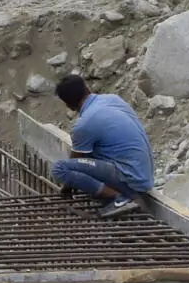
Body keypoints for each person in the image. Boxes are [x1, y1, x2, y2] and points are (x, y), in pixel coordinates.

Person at [50, 74, 157, 217]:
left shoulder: (85, 124)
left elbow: (74, 161)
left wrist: (68, 185)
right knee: (93, 155)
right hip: (144, 174)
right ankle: (124, 194)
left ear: (69, 105)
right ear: (87, 88)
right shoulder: (113, 99)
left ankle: (120, 198)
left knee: (59, 168)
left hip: (129, 176)